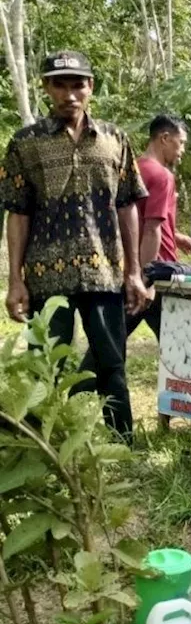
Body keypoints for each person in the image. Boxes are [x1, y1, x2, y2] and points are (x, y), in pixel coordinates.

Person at [2, 50, 150, 444]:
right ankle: (43, 448)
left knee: (112, 364)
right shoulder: (25, 144)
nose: (70, 94)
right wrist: (15, 280)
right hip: (45, 278)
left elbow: (127, 205)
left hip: (104, 272)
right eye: (60, 84)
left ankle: (122, 445)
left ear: (91, 87)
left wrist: (134, 272)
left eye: (78, 84)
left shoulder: (115, 139)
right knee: (46, 367)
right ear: (47, 88)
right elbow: (17, 214)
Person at [130, 114, 191, 339]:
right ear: (165, 138)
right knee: (181, 343)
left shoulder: (133, 169)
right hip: (158, 272)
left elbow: (139, 220)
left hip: (131, 266)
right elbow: (151, 229)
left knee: (112, 341)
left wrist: (174, 236)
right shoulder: (162, 175)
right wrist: (147, 278)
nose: (182, 149)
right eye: (181, 142)